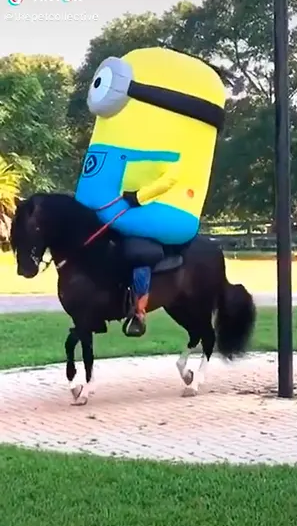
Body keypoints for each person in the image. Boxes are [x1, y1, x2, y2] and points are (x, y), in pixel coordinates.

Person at [74, 47, 226, 336]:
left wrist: (138, 197)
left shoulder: (178, 152)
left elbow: (172, 178)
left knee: (139, 251)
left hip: (151, 209)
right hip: (113, 206)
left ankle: (139, 311)